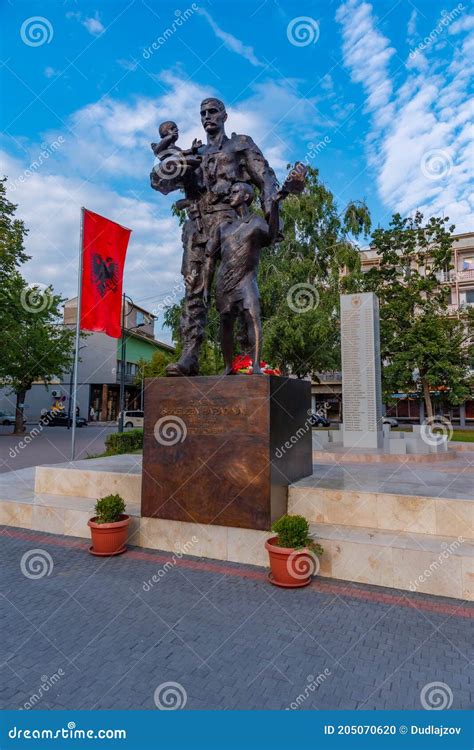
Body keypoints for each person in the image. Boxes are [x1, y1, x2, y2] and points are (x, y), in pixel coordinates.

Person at [150, 98, 280, 376]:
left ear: (224, 115)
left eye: (212, 112)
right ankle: (189, 355)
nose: (207, 117)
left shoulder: (239, 145)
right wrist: (177, 161)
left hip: (231, 224)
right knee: (194, 290)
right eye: (203, 113)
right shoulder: (191, 154)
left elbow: (266, 179)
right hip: (198, 227)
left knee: (239, 289)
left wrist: (272, 218)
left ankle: (247, 359)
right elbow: (160, 183)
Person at [205, 182, 282, 375]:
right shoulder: (223, 228)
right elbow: (210, 258)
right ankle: (228, 366)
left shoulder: (256, 222)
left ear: (246, 196)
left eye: (235, 191)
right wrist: (206, 287)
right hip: (224, 282)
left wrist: (274, 206)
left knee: (253, 316)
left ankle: (256, 366)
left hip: (246, 280)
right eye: (230, 192)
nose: (231, 194)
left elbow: (272, 236)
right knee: (225, 323)